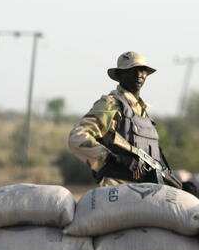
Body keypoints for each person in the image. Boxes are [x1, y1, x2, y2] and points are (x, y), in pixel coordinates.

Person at [68, 51, 183, 189]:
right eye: (133, 70)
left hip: (146, 192)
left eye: (143, 70)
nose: (139, 74)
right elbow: (77, 137)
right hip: (118, 190)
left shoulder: (143, 113)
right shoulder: (111, 104)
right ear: (120, 75)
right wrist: (112, 159)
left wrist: (178, 186)